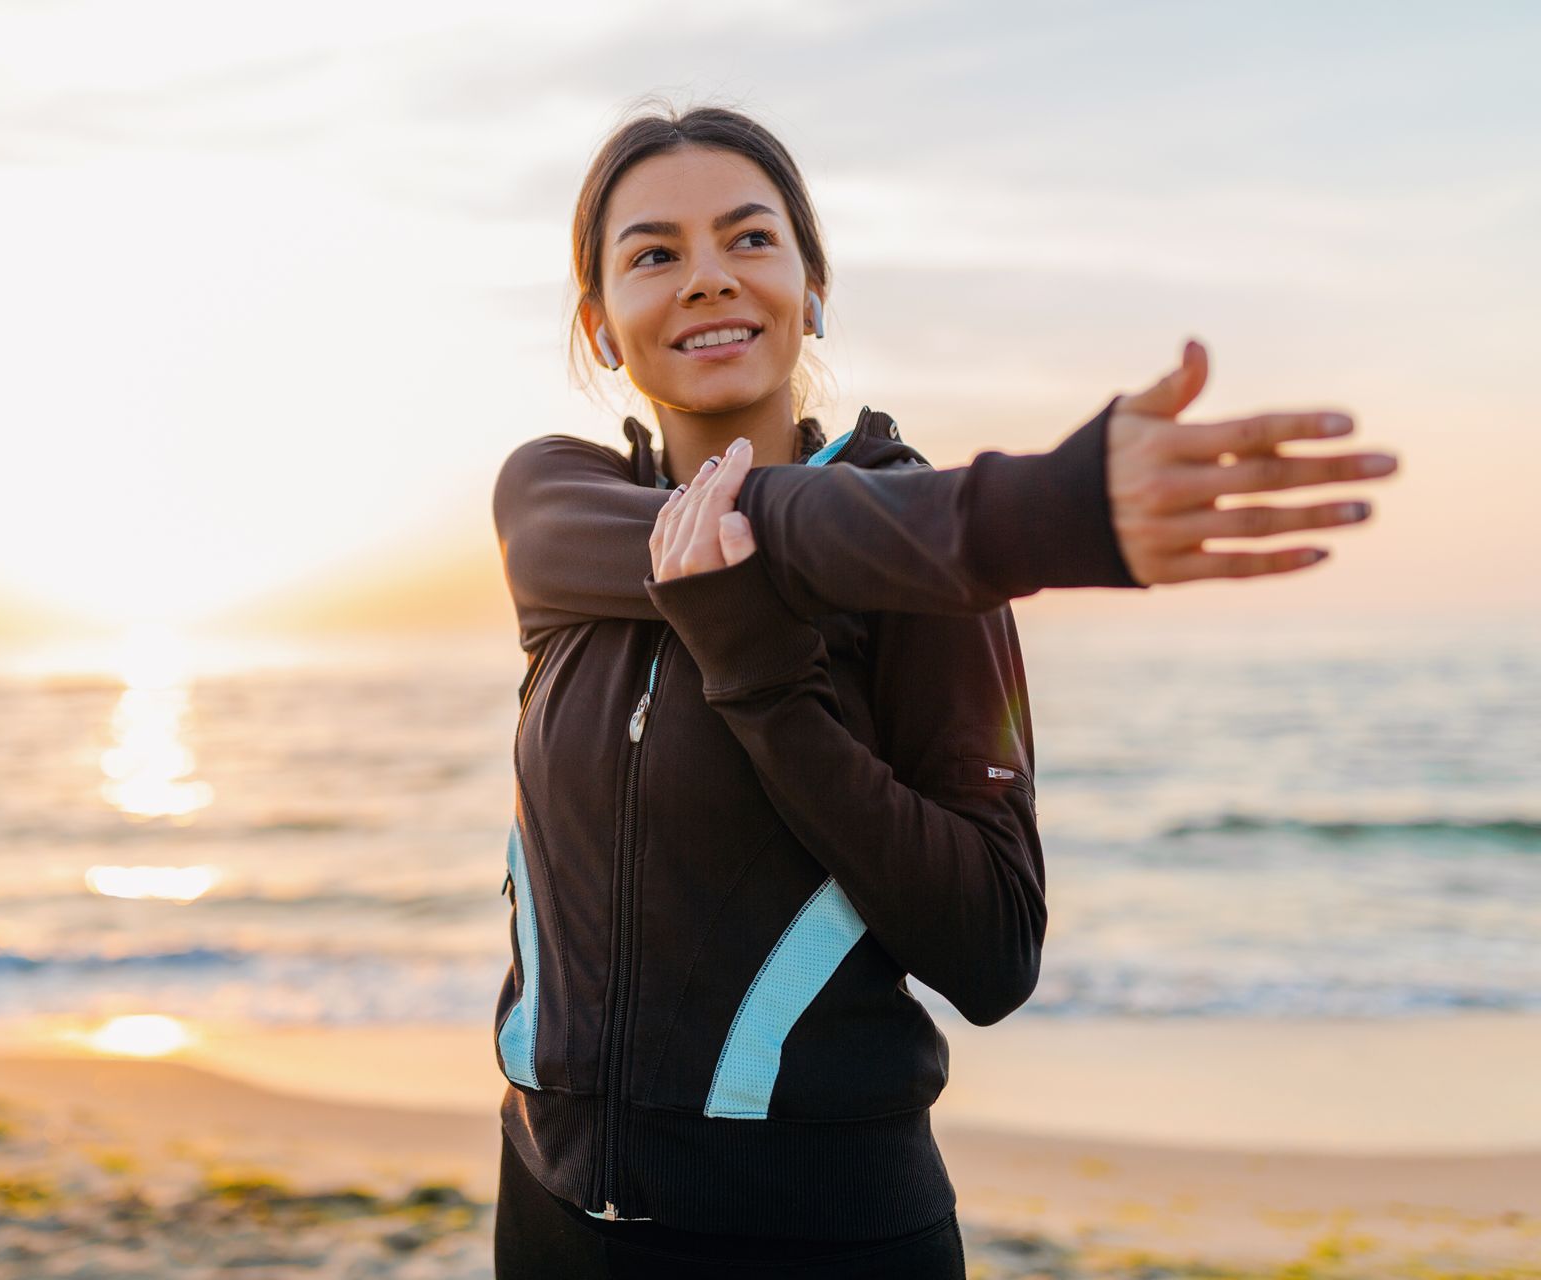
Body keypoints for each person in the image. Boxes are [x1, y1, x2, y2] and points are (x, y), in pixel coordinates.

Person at [487, 101, 1396, 1279]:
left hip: (825, 1235)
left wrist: (765, 681)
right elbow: (763, 528)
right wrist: (1033, 513)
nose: (708, 278)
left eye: (750, 240)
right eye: (654, 253)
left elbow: (992, 951)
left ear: (811, 289)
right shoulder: (554, 508)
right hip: (553, 1212)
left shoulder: (921, 570)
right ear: (601, 324)